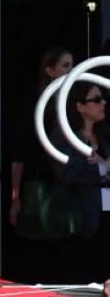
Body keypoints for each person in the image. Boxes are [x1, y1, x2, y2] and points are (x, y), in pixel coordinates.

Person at [49, 82, 110, 284]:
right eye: (96, 100)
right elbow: (65, 175)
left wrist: (104, 167)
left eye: (103, 98)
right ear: (80, 106)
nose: (103, 103)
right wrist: (101, 169)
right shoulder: (63, 136)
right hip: (78, 217)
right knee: (79, 271)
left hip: (105, 215)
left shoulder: (105, 136)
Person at [9, 47, 74, 228]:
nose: (72, 71)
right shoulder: (34, 107)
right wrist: (16, 199)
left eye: (73, 65)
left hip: (75, 187)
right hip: (42, 186)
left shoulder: (79, 104)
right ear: (50, 71)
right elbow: (19, 155)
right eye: (65, 65)